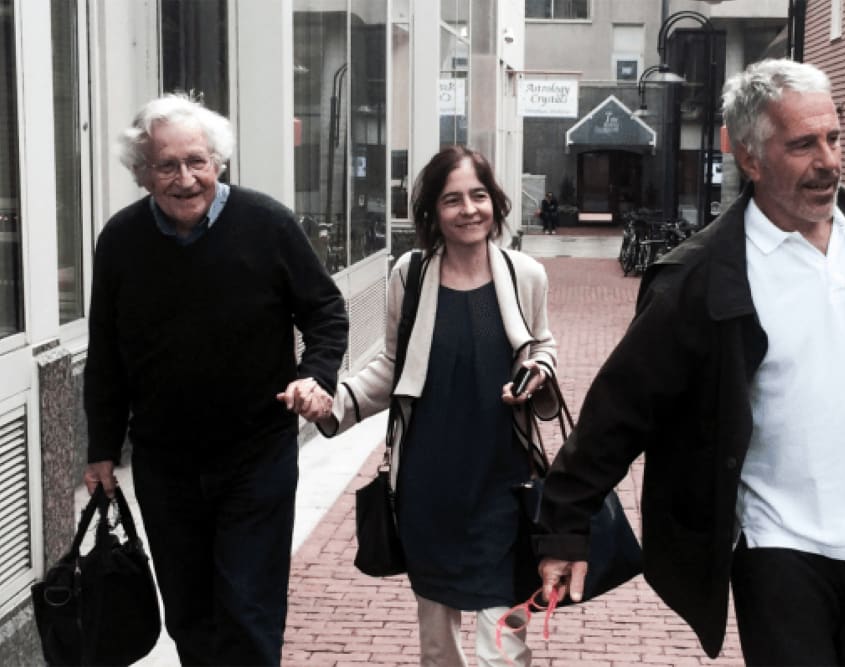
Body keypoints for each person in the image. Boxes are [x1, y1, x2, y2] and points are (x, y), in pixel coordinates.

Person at [534, 58, 845, 666]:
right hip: (776, 546)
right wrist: (565, 524)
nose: (829, 161)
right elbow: (623, 406)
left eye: (833, 138)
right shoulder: (703, 277)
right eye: (803, 144)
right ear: (751, 159)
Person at [82, 94, 348, 666]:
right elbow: (105, 350)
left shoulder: (267, 223)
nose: (185, 179)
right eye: (167, 165)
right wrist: (101, 448)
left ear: (218, 163)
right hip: (164, 462)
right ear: (142, 172)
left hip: (255, 456)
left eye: (196, 161)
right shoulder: (121, 241)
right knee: (189, 612)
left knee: (247, 609)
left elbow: (326, 311)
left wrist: (315, 376)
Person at [316, 145, 558, 666]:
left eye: (478, 196)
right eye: (452, 200)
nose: (469, 209)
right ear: (432, 212)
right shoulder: (411, 274)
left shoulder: (526, 275)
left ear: (495, 202)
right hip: (430, 486)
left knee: (505, 645)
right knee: (437, 646)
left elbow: (543, 346)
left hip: (506, 483)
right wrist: (336, 406)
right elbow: (394, 365)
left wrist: (538, 372)